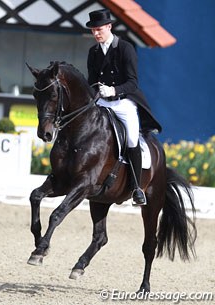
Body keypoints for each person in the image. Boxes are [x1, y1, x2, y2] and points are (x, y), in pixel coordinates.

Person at [86, 9, 162, 206]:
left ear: (109, 27)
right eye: (93, 30)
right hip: (102, 102)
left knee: (130, 138)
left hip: (123, 102)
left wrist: (113, 91)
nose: (96, 34)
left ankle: (137, 188)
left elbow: (132, 83)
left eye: (99, 29)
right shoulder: (93, 52)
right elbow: (91, 81)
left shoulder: (125, 48)